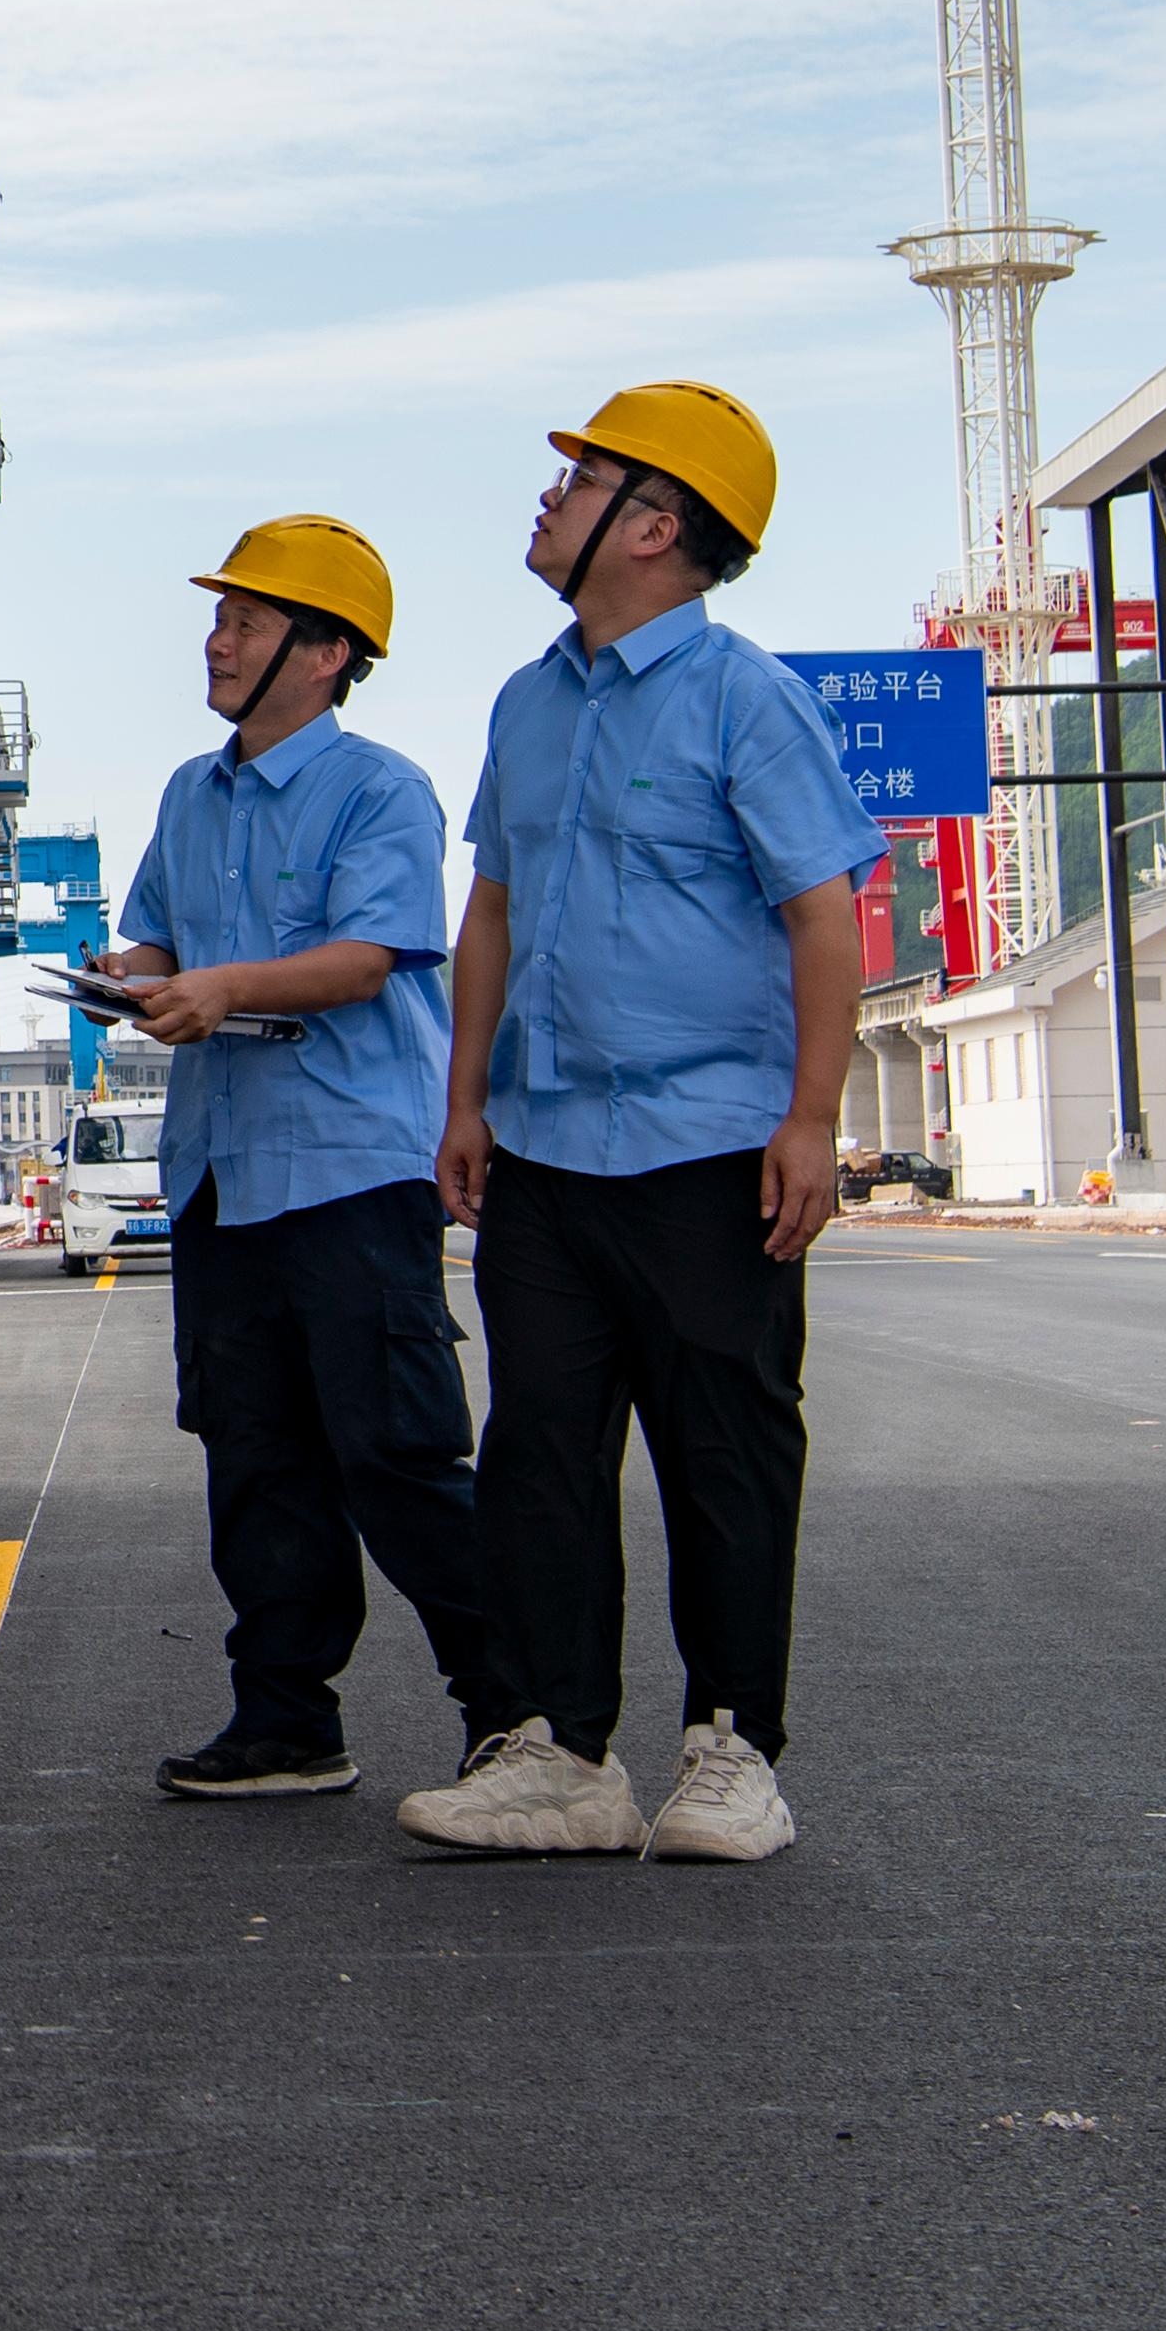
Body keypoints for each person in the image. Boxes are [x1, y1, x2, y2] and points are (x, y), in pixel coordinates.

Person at [404, 384, 882, 1867]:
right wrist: (464, 1096)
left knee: (721, 1456)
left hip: (706, 1148)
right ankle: (563, 1758)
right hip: (544, 1151)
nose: (545, 501)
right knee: (539, 1450)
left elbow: (821, 915)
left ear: (654, 526)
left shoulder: (746, 698)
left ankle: (732, 1749)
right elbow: (490, 910)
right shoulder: (525, 702)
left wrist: (810, 1120)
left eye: (579, 481)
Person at [92, 518, 520, 1803]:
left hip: (346, 1167)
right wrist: (137, 978)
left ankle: (517, 1711)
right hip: (221, 1172)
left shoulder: (380, 789)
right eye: (216, 619)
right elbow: (159, 940)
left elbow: (369, 955)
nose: (215, 641)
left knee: (393, 1451)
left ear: (328, 651)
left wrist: (214, 986)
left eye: (243, 620)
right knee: (253, 1452)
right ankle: (284, 1717)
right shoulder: (189, 790)